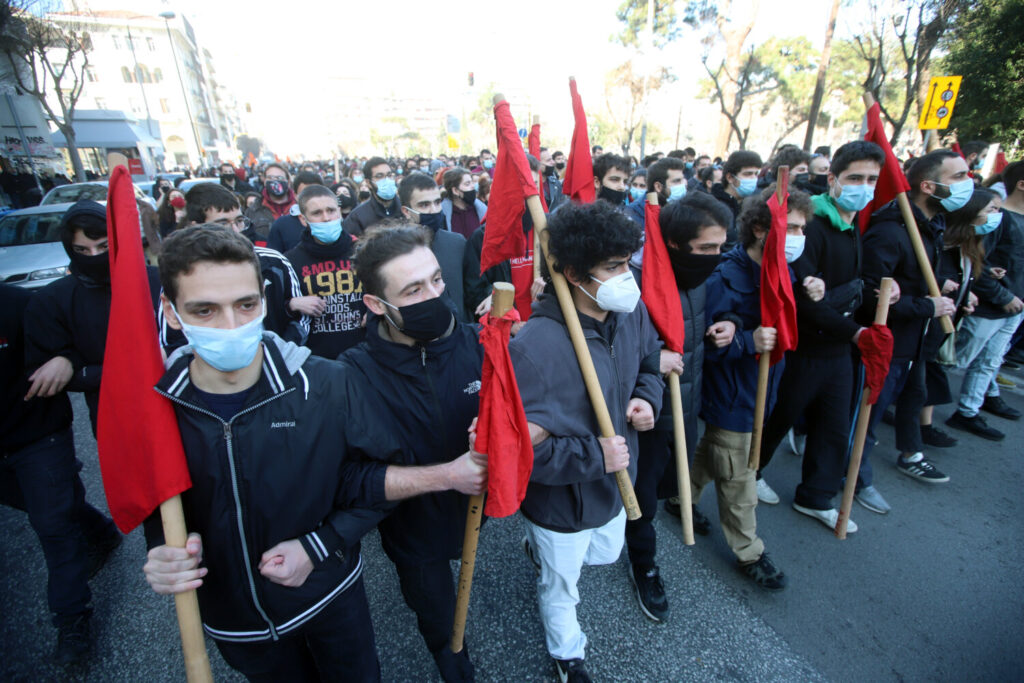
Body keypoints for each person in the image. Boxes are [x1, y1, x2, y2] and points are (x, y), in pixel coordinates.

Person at [143, 226, 384, 682]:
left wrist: (318, 547)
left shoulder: (328, 384)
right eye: (205, 310)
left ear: (265, 301)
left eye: (246, 305)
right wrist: (163, 551)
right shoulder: (156, 409)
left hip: (329, 597)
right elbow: (159, 503)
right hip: (236, 623)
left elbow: (378, 480)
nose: (232, 326)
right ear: (172, 314)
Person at [511, 200, 664, 681]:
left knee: (605, 553)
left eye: (628, 264)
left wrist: (647, 399)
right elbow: (520, 452)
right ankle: (567, 652)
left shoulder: (629, 311)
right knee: (563, 586)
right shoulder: (533, 347)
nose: (627, 277)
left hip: (619, 481)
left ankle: (539, 551)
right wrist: (593, 454)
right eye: (614, 267)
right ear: (574, 273)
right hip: (562, 502)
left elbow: (649, 361)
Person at [342, 224, 487, 681]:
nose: (434, 296)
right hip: (412, 533)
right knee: (444, 626)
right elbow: (350, 480)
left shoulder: (479, 344)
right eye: (412, 290)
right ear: (375, 304)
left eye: (437, 280)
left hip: (475, 515)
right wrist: (446, 475)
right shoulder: (351, 376)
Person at [757, 141, 889, 522]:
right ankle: (752, 471)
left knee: (834, 427)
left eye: (871, 179)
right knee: (781, 416)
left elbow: (852, 283)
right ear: (833, 179)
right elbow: (803, 300)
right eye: (854, 178)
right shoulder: (812, 226)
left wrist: (883, 291)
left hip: (839, 349)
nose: (863, 186)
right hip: (805, 346)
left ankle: (816, 496)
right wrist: (856, 333)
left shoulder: (853, 225)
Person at [693, 186, 814, 590]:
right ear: (761, 229)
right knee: (740, 472)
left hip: (764, 389)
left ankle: (678, 494)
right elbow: (702, 345)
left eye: (802, 228)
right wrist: (745, 340)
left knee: (719, 456)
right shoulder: (724, 277)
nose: (799, 236)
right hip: (731, 392)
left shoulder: (783, 271)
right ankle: (750, 552)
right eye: (791, 227)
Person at [1, 283, 121, 667]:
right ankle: (99, 530)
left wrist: (67, 361)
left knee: (52, 525)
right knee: (50, 507)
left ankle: (71, 622)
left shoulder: (20, 303)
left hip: (37, 434)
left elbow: (70, 343)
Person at [627, 193, 731, 620]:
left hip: (686, 405)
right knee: (642, 499)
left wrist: (731, 326)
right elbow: (605, 350)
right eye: (706, 248)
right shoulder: (634, 282)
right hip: (646, 412)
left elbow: (706, 322)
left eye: (721, 247)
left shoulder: (703, 278)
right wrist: (653, 360)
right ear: (672, 243)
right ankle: (643, 565)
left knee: (668, 483)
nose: (716, 257)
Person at [855, 150, 966, 500]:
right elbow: (872, 296)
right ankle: (854, 480)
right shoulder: (890, 231)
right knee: (865, 420)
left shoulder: (931, 226)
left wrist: (941, 284)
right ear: (928, 186)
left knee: (913, 397)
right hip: (890, 344)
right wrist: (925, 305)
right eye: (959, 177)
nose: (969, 183)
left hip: (915, 342)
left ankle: (910, 452)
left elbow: (917, 275)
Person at [24, 200, 162, 436]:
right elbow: (51, 371)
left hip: (175, 404)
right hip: (114, 417)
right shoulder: (54, 299)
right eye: (83, 250)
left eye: (103, 246)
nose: (95, 256)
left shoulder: (157, 281)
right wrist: (68, 359)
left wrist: (88, 368)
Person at [172, 183, 313, 346]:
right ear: (196, 227)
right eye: (222, 223)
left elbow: (301, 320)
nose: (235, 231)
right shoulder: (181, 274)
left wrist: (279, 354)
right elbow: (173, 340)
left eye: (239, 221)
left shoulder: (274, 262)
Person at [947, 162, 1024, 439]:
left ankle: (969, 410)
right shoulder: (997, 220)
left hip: (1015, 307)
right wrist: (1002, 295)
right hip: (990, 307)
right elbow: (977, 261)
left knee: (990, 361)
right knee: (953, 360)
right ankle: (915, 404)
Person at [914, 188, 991, 445]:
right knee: (922, 380)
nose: (995, 216)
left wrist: (964, 298)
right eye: (991, 210)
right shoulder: (941, 242)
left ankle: (917, 430)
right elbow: (919, 276)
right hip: (925, 324)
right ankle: (916, 436)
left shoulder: (968, 246)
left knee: (923, 379)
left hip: (942, 324)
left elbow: (961, 280)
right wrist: (943, 284)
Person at [286, 185, 366, 358]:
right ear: (303, 219)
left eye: (331, 210)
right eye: (317, 213)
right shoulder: (290, 261)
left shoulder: (363, 251)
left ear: (339, 212)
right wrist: (291, 304)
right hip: (317, 359)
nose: (326, 218)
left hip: (365, 354)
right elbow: (274, 311)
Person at [397, 172, 470, 321]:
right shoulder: (394, 251)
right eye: (424, 205)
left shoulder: (457, 243)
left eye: (437, 202)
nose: (434, 210)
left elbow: (471, 292)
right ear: (406, 211)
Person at [342, 157, 403, 237]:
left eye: (389, 175)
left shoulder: (406, 209)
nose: (387, 180)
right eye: (379, 176)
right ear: (368, 183)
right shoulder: (357, 217)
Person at [712, 151, 764, 243]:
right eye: (747, 174)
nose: (753, 178)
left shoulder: (753, 204)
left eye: (756, 174)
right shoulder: (714, 206)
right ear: (730, 178)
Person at [267, 171, 325, 253]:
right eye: (305, 193)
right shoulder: (281, 225)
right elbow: (273, 260)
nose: (312, 198)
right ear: (295, 195)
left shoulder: (331, 220)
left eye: (316, 192)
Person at [245, 163, 295, 239]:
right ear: (264, 181)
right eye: (270, 178)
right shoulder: (253, 210)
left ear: (288, 182)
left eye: (279, 178)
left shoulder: (301, 207)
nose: (275, 181)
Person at [441, 167, 487, 239]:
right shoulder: (443, 214)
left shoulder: (482, 209)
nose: (473, 186)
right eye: (467, 184)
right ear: (455, 190)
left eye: (472, 182)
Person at [539, 147, 565, 211]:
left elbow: (562, 206)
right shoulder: (530, 187)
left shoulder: (556, 183)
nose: (553, 162)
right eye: (548, 160)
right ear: (537, 163)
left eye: (552, 159)